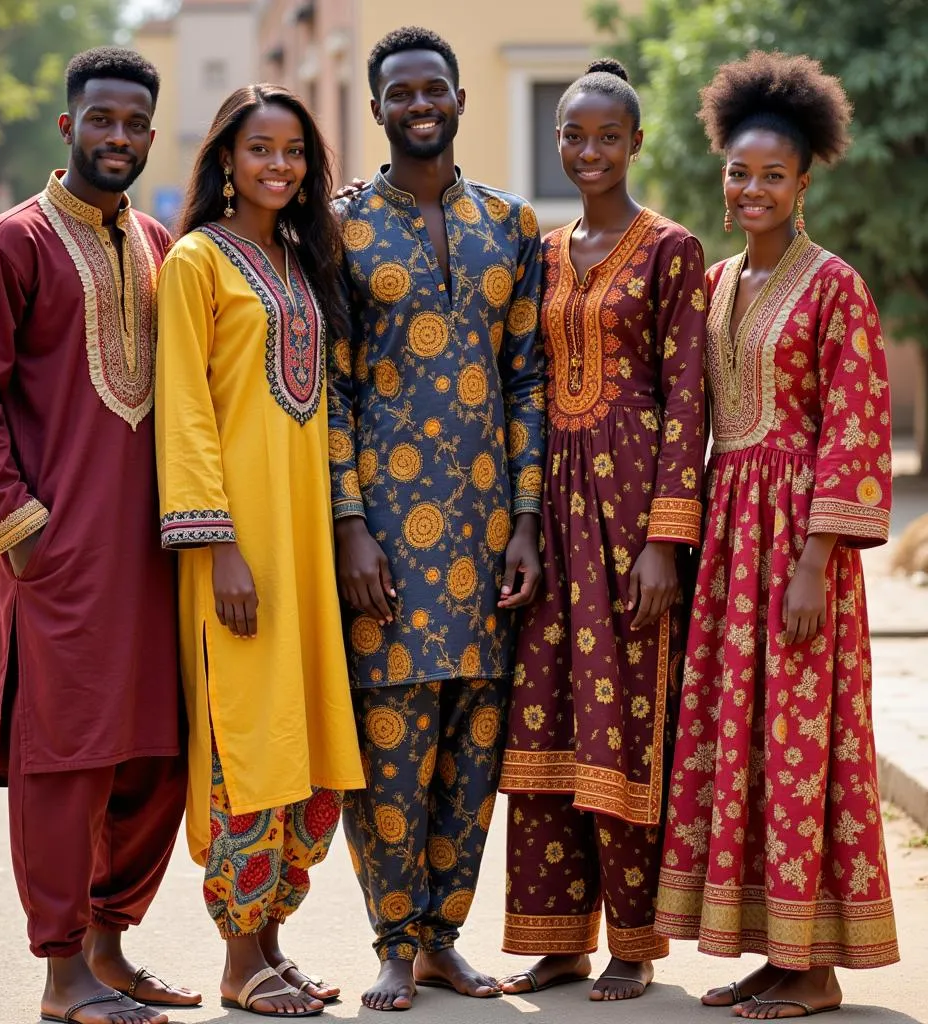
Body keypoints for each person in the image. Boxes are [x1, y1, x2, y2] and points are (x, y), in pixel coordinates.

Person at [0, 48, 200, 1024]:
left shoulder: (162, 247)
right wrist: (22, 531)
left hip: (151, 554)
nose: (120, 137)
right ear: (68, 126)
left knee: (154, 756)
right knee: (66, 760)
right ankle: (62, 976)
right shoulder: (14, 243)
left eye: (136, 123)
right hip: (58, 556)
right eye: (103, 120)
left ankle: (109, 946)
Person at [654, 51, 900, 1018]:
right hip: (727, 540)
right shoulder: (716, 286)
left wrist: (812, 563)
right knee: (738, 738)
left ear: (803, 183)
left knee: (801, 739)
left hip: (800, 549)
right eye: (738, 172)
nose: (750, 188)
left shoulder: (837, 287)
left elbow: (857, 429)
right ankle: (773, 948)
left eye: (772, 175)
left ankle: (816, 967)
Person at [328, 25, 546, 1013]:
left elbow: (529, 378)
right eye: (399, 92)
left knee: (473, 742)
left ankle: (442, 939)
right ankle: (390, 938)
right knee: (388, 745)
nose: (419, 103)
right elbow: (325, 386)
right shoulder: (336, 227)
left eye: (434, 88)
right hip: (383, 535)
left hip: (488, 533)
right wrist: (347, 520)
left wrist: (531, 520)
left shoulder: (510, 222)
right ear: (376, 109)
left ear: (457, 97)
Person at [496, 59, 707, 1003]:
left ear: (636, 142)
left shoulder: (672, 250)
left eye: (607, 136)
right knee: (542, 718)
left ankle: (632, 940)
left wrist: (667, 537)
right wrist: (527, 526)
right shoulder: (543, 253)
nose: (589, 151)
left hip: (631, 521)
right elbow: (533, 392)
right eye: (573, 136)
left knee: (624, 719)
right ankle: (556, 938)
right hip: (556, 504)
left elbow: (686, 398)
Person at [154, 84, 366, 1019]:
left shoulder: (298, 257)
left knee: (298, 734)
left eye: (292, 153)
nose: (277, 167)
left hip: (305, 541)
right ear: (226, 160)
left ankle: (271, 947)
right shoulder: (196, 260)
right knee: (246, 737)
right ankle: (240, 965)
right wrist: (218, 544)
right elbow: (187, 411)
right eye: (259, 150)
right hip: (236, 546)